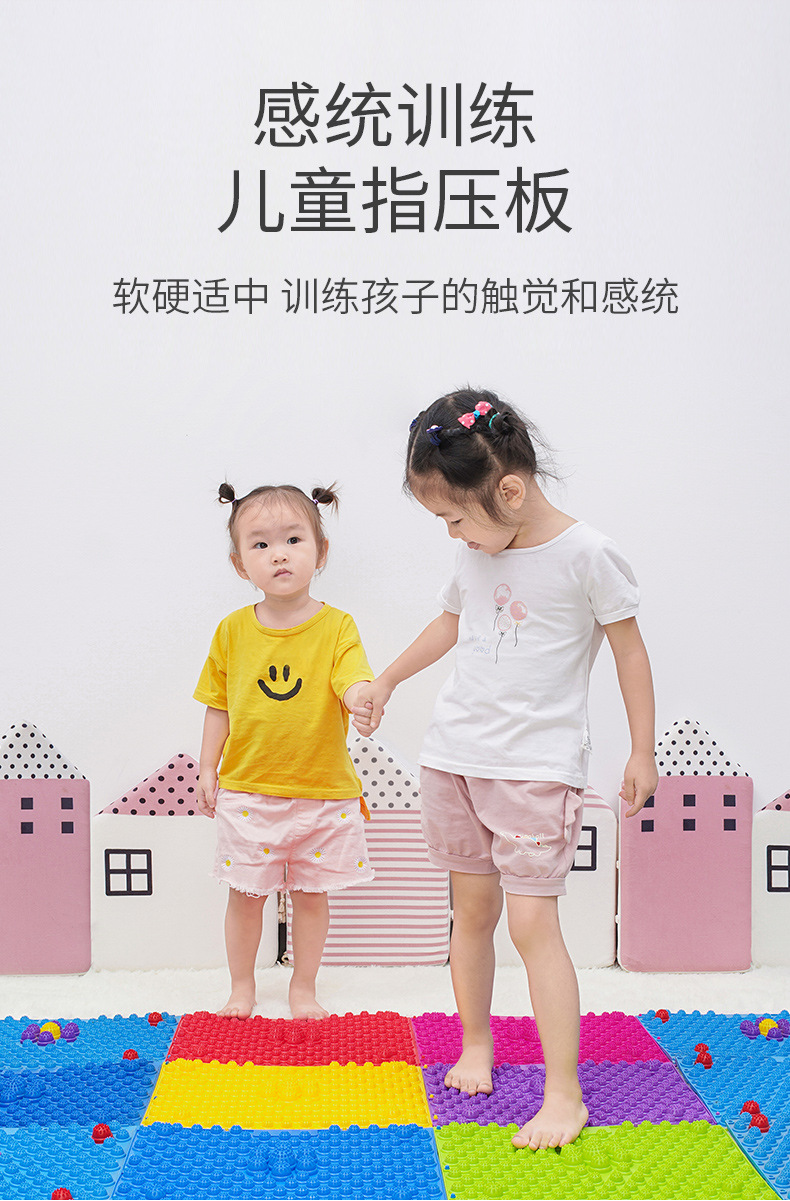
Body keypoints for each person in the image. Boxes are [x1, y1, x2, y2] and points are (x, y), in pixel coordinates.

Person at [352, 389, 657, 1150]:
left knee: (531, 923)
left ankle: (564, 1093)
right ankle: (476, 1044)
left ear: (510, 491)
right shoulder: (475, 552)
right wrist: (387, 680)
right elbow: (451, 622)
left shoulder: (587, 554)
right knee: (473, 914)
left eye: (455, 518)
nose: (452, 533)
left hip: (534, 770)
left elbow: (629, 652)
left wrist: (641, 748)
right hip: (454, 758)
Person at [195, 481, 375, 1020]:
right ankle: (241, 987)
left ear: (321, 552)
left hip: (322, 793)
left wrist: (362, 699)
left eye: (294, 539)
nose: (279, 554)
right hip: (249, 791)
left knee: (312, 898)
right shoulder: (231, 631)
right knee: (245, 897)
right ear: (239, 563)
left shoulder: (338, 626)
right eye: (261, 544)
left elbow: (352, 679)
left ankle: (303, 987)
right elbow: (218, 706)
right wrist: (207, 768)